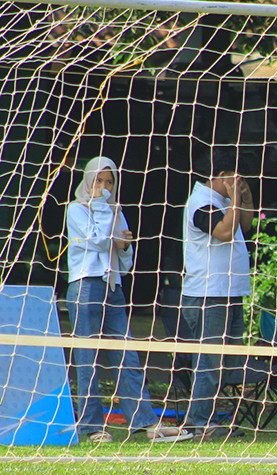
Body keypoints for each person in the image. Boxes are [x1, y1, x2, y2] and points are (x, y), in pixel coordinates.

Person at [65, 157, 191, 444]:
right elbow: (91, 240)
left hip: (113, 288)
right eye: (99, 181)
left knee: (127, 357)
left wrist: (122, 247)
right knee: (88, 359)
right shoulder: (76, 209)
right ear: (87, 180)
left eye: (110, 182)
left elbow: (125, 257)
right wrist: (112, 232)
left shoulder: (115, 210)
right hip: (85, 286)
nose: (105, 187)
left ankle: (146, 422)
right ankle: (91, 426)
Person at [180, 153, 256, 439]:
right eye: (237, 178)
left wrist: (244, 197)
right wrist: (235, 197)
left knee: (225, 361)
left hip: (230, 292)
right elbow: (224, 232)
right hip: (208, 296)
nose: (241, 182)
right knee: (210, 361)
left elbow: (245, 226)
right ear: (223, 175)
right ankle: (197, 423)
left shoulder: (225, 202)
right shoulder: (201, 202)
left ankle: (207, 418)